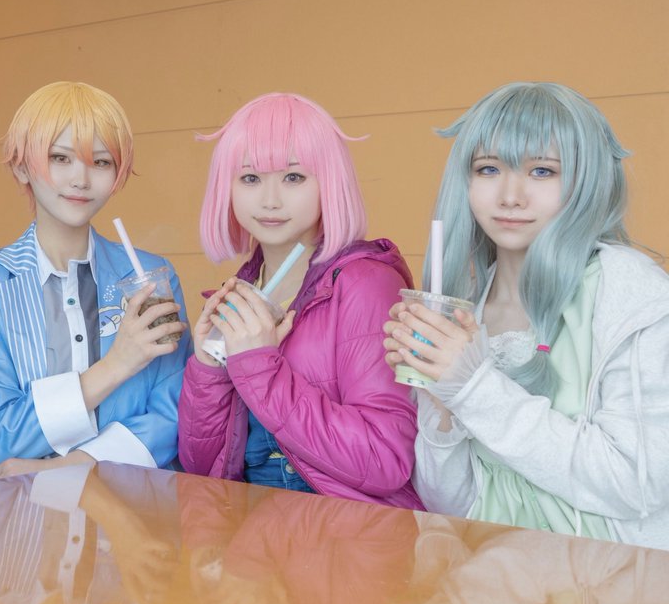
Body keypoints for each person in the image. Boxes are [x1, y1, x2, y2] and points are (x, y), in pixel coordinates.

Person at [384, 81, 669, 549]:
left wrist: (474, 388)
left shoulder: (628, 291)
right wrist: (440, 404)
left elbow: (637, 484)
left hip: (602, 574)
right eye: (489, 168)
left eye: (542, 171)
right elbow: (451, 506)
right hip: (486, 567)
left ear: (587, 179)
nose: (510, 196)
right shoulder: (467, 306)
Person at [178, 92, 422, 508]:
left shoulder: (366, 284)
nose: (270, 200)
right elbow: (202, 468)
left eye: (293, 177)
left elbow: (385, 459)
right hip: (247, 527)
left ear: (330, 182)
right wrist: (207, 369)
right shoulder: (238, 293)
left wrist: (259, 367)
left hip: (343, 528)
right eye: (250, 178)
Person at [0, 81, 189, 484]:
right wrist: (116, 365)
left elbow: (172, 415)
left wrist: (71, 465)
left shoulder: (152, 277)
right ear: (21, 167)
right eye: (60, 158)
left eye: (100, 162)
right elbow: (1, 434)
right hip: (15, 505)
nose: (81, 179)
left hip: (129, 502)